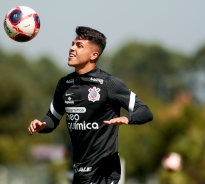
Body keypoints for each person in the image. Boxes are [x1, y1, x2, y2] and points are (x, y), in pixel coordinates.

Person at [28, 26, 153, 184]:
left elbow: (145, 111)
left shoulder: (109, 84)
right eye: (73, 44)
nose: (72, 48)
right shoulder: (64, 84)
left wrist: (127, 118)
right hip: (79, 173)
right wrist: (42, 125)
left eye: (79, 46)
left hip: (104, 174)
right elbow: (52, 118)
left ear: (94, 55)